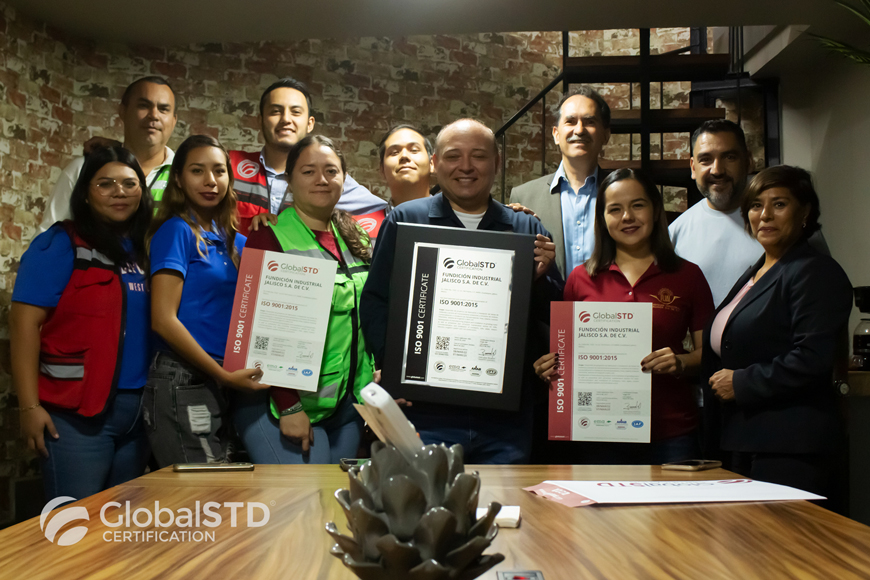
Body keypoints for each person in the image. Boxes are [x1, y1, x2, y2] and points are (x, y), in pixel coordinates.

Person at [361, 118, 562, 464]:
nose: (466, 166)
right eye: (454, 156)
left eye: (478, 156)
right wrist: (390, 365)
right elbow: (376, 300)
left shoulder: (526, 227)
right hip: (426, 412)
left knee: (503, 497)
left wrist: (542, 278)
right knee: (426, 495)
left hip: (505, 419)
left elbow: (557, 313)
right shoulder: (406, 220)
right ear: (436, 163)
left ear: (496, 163)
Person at [534, 168, 714, 464]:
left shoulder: (688, 275)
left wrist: (680, 361)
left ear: (655, 210)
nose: (627, 217)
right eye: (615, 209)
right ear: (603, 219)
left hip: (671, 432)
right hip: (597, 432)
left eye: (637, 205)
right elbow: (568, 356)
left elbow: (708, 354)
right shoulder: (580, 279)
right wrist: (551, 366)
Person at [10, 147, 153, 500]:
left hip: (140, 414)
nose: (119, 192)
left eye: (129, 183)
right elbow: (24, 326)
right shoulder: (60, 243)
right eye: (105, 184)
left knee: (123, 522)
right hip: (75, 415)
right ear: (85, 194)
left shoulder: (149, 248)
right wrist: (29, 406)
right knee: (73, 523)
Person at [702, 165, 851, 497]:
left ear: (805, 212)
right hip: (744, 439)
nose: (765, 215)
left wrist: (741, 382)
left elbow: (812, 359)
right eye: (756, 205)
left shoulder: (815, 272)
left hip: (791, 446)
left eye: (779, 204)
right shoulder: (757, 272)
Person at [235, 135, 374, 464]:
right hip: (282, 405)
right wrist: (289, 405)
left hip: (346, 404)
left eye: (331, 171)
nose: (321, 179)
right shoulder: (268, 236)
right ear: (290, 179)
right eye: (308, 171)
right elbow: (255, 331)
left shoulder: (355, 236)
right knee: (305, 494)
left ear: (344, 177)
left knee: (337, 494)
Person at [146, 135, 265, 467]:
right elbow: (163, 320)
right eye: (197, 171)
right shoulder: (177, 231)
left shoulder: (236, 241)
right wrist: (222, 376)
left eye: (219, 171)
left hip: (224, 380)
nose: (210, 181)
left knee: (220, 490)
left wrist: (271, 230)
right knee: (201, 491)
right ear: (179, 179)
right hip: (184, 377)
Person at [230, 78, 387, 234]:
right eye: (276, 111)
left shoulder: (330, 179)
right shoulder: (229, 166)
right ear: (260, 120)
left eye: (296, 112)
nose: (286, 119)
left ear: (310, 123)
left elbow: (386, 211)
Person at [39, 77, 177, 232]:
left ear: (174, 120)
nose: (154, 115)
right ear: (122, 111)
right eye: (143, 106)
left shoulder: (183, 177)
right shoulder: (83, 168)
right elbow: (47, 238)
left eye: (163, 109)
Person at [510, 86, 612, 278]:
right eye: (570, 121)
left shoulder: (622, 193)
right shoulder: (524, 197)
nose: (579, 130)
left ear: (605, 135)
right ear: (556, 134)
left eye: (589, 122)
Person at [378, 124, 434, 212]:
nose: (404, 156)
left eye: (414, 150)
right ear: (382, 170)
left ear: (432, 163)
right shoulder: (365, 221)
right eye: (394, 152)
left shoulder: (455, 218)